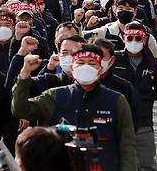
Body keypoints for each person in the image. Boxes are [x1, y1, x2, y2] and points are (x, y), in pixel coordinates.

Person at [11, 43, 137, 171]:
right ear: (72, 68)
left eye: (92, 63)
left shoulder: (116, 100)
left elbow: (127, 145)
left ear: (100, 69)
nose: (86, 67)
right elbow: (20, 109)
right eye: (81, 63)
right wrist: (25, 73)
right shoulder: (55, 96)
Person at [111, 21, 157, 171]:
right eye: (130, 38)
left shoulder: (153, 63)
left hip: (144, 122)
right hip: (117, 120)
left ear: (144, 39)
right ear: (124, 38)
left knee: (146, 163)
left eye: (138, 38)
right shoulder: (114, 60)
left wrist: (146, 99)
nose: (134, 41)